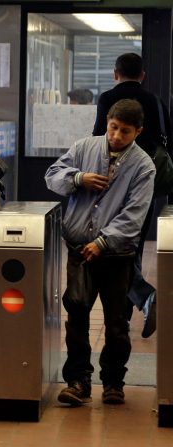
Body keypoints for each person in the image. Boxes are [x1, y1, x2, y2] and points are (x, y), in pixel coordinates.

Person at [46, 99, 155, 406]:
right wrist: (78, 178)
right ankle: (78, 382)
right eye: (113, 127)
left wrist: (105, 242)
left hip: (117, 257)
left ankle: (113, 382)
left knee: (117, 321)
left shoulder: (143, 166)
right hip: (80, 250)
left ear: (138, 131)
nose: (117, 136)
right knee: (77, 313)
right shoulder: (84, 148)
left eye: (126, 131)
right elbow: (52, 174)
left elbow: (135, 213)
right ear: (107, 121)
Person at [92, 53, 173, 338]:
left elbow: (98, 140)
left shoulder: (107, 99)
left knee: (112, 244)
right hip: (148, 182)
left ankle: (137, 301)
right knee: (131, 245)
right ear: (143, 75)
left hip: (114, 181)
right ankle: (126, 311)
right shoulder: (157, 102)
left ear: (116, 73)